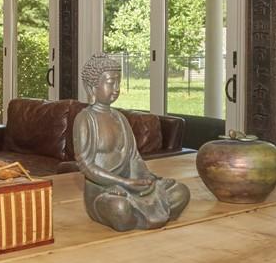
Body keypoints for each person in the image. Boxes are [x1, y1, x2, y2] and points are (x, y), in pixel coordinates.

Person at [73, 53, 190, 232]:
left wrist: (146, 177)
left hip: (130, 184)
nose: (116, 88)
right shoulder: (85, 119)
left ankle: (141, 214)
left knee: (180, 192)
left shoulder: (120, 118)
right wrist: (121, 183)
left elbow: (134, 157)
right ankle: (133, 215)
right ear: (92, 87)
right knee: (120, 209)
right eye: (111, 82)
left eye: (118, 82)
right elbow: (86, 166)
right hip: (103, 190)